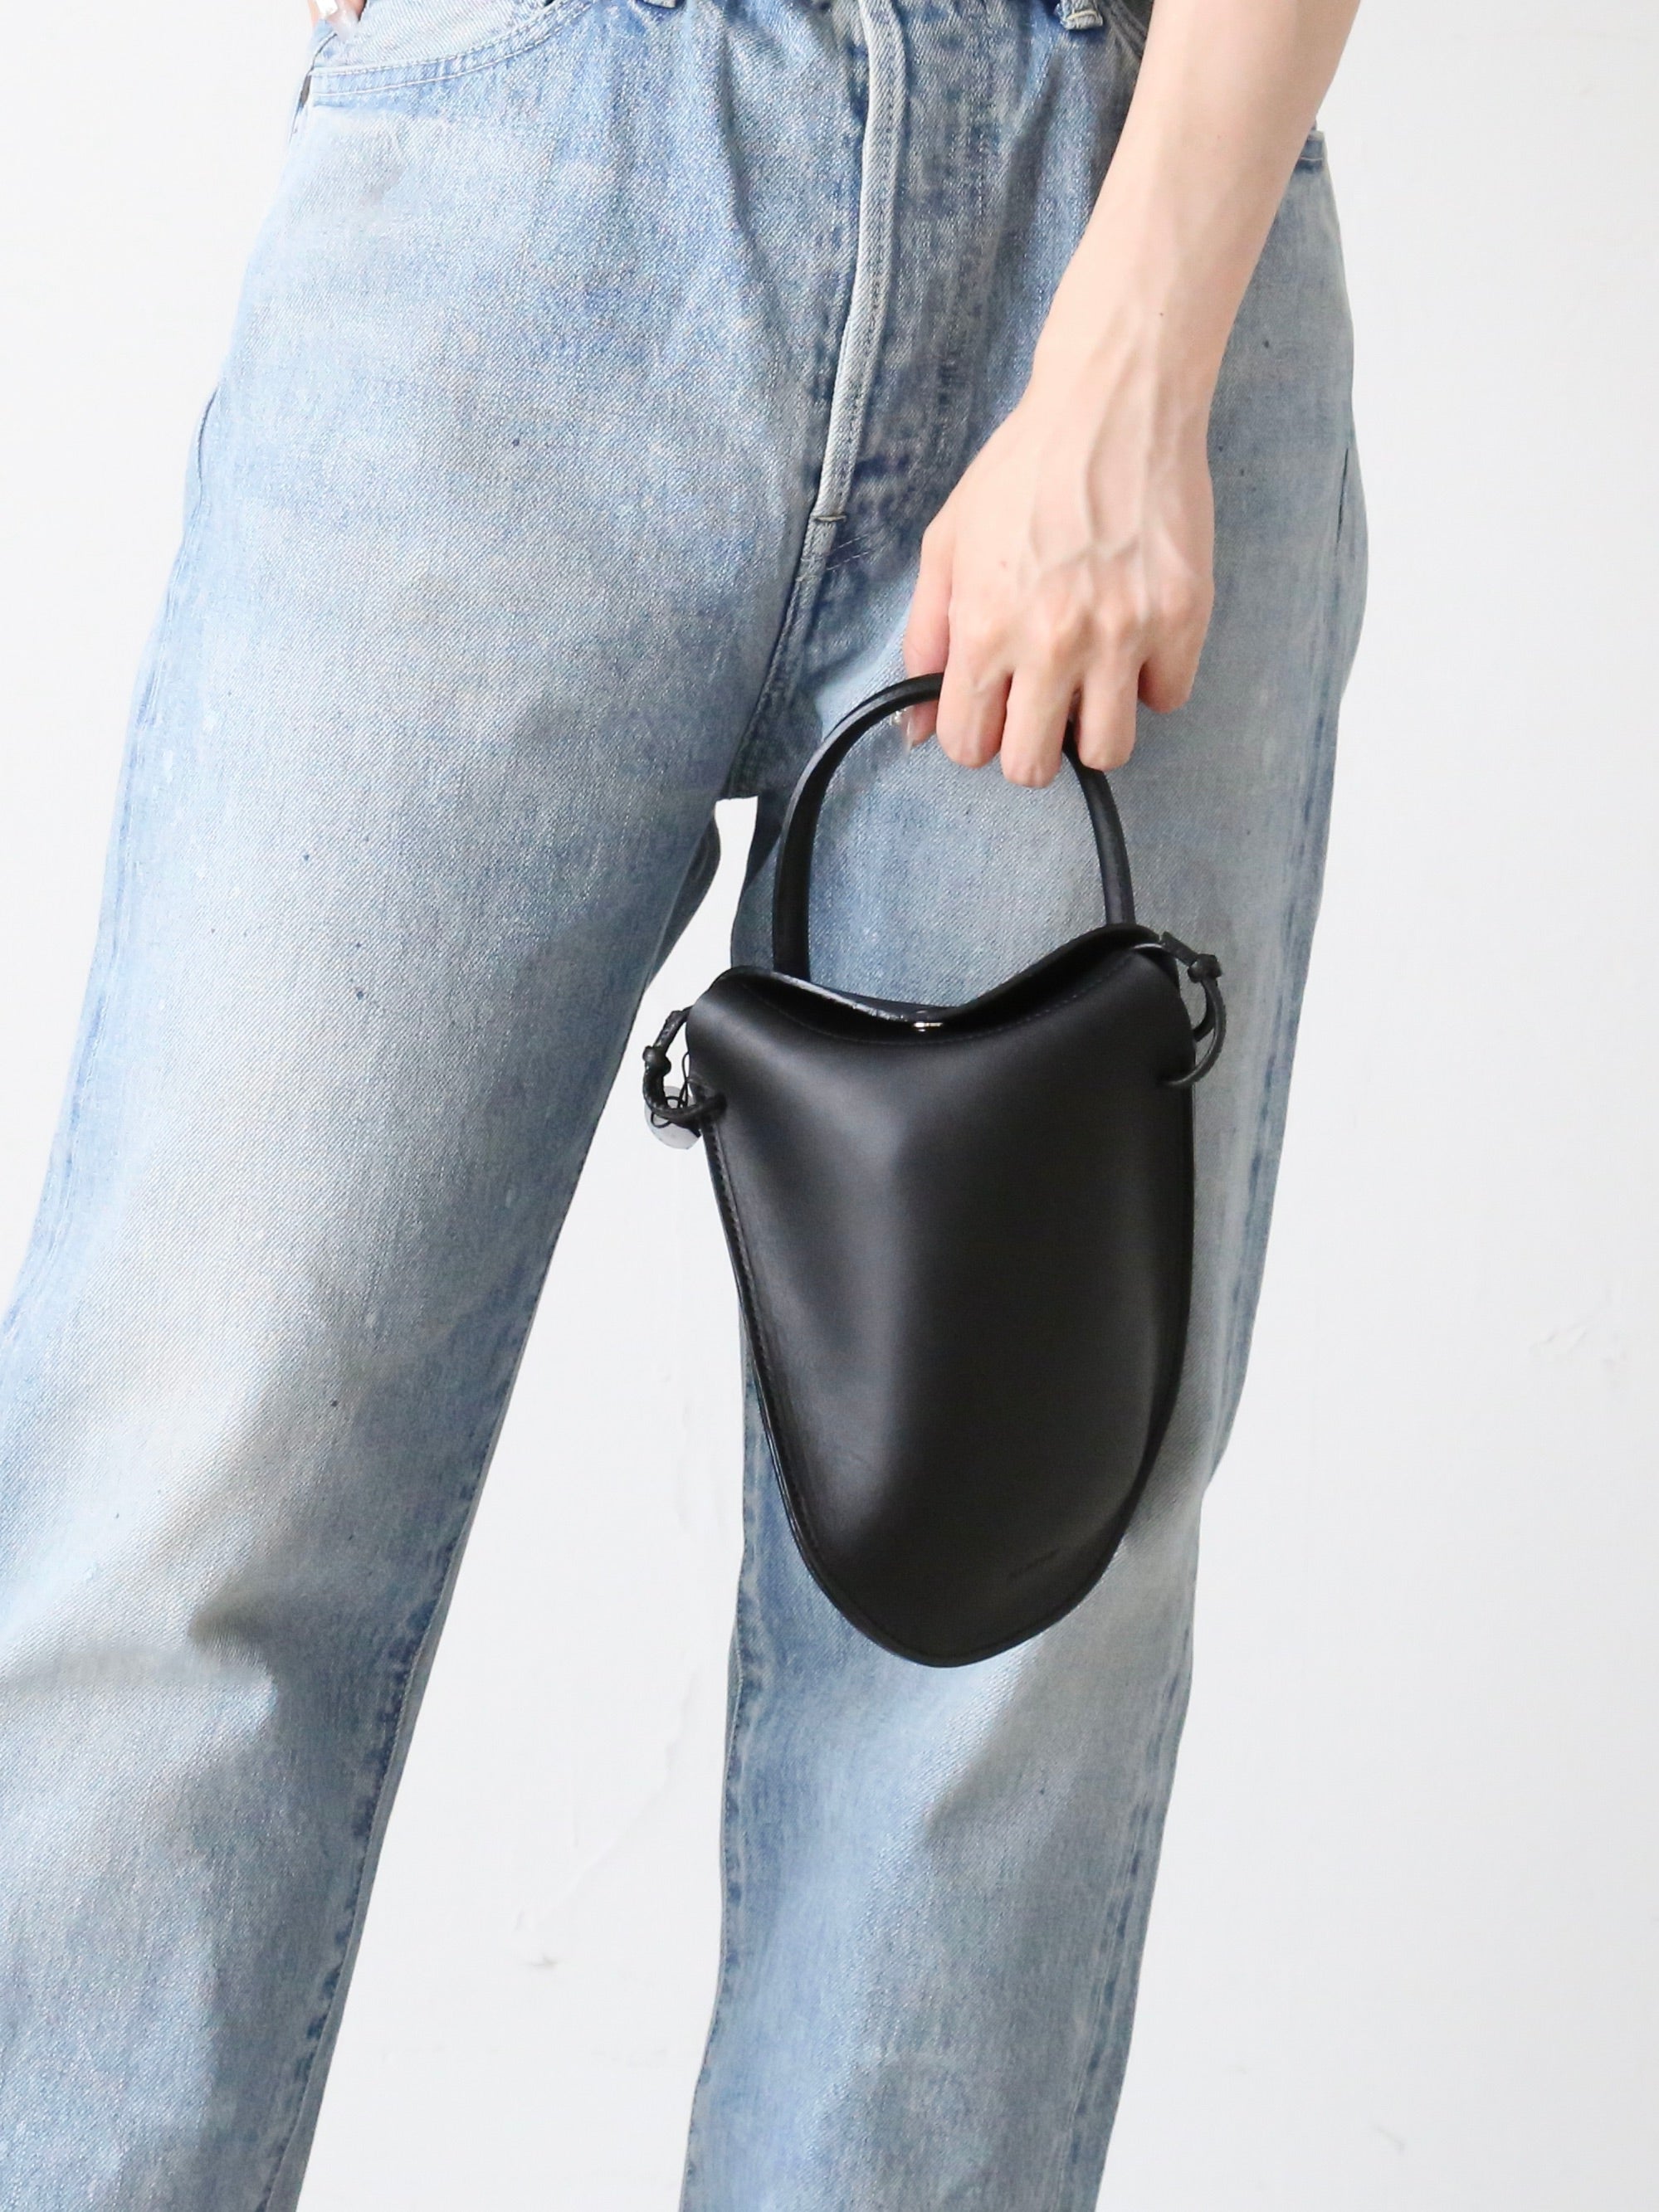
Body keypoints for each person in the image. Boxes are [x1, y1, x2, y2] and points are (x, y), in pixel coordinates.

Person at [0, 0, 1365, 2201]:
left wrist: (1140, 346)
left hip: (1127, 211)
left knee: (989, 1609)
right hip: (524, 174)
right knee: (177, 1511)